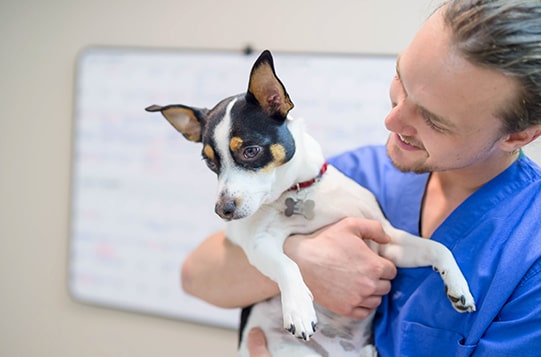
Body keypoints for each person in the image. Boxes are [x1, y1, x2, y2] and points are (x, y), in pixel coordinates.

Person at [181, 0, 541, 355]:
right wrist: (304, 261)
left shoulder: (530, 256)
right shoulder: (352, 173)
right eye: (401, 79)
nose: (392, 121)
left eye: (433, 119)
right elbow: (196, 276)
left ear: (518, 135)